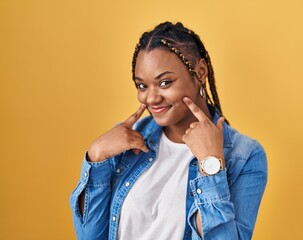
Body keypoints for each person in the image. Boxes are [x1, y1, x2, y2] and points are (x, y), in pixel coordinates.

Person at [70, 21, 268, 240]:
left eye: (164, 83)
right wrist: (96, 156)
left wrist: (210, 164)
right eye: (142, 86)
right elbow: (89, 237)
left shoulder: (244, 156)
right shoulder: (126, 141)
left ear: (200, 72)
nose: (151, 98)